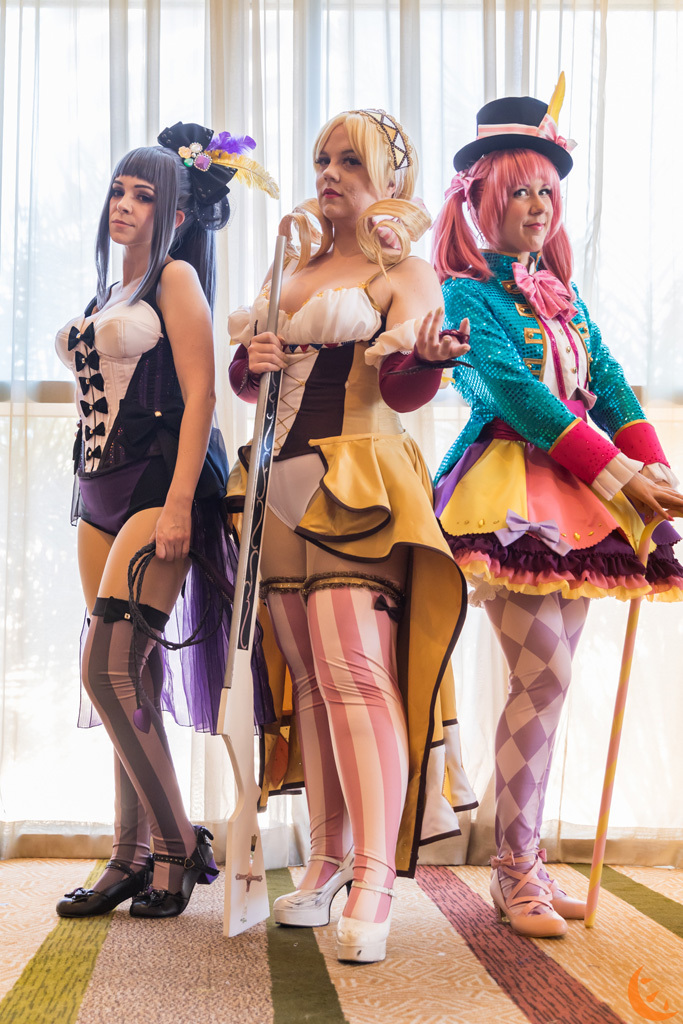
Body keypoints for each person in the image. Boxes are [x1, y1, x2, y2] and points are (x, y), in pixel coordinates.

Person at [431, 85, 683, 938]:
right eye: (520, 190)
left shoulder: (560, 293)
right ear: (482, 198)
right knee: (544, 673)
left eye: (546, 190)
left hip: (578, 492)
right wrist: (619, 473)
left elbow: (605, 381)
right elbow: (511, 393)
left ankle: (525, 860)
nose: (537, 206)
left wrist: (656, 471)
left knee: (548, 682)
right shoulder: (464, 293)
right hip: (506, 489)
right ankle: (511, 868)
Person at [228, 108, 477, 962]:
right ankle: (327, 858)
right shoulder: (291, 267)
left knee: (356, 672)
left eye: (351, 162)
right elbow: (253, 379)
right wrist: (250, 363)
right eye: (322, 159)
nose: (329, 173)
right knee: (307, 677)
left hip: (358, 478)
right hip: (274, 483)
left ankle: (374, 875)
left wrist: (429, 360)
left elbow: (403, 387)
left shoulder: (403, 271)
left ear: (389, 180)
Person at [54, 121, 276, 919]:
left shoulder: (175, 279)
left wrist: (181, 501)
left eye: (143, 195)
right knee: (130, 674)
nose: (123, 204)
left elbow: (202, 393)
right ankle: (130, 854)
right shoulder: (107, 293)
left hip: (158, 483)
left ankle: (179, 845)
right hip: (97, 488)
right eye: (118, 190)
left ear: (175, 214)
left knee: (107, 672)